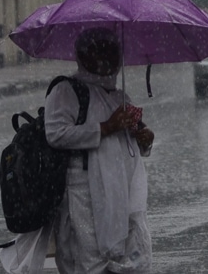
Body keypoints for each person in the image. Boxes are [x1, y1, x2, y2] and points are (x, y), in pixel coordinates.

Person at [45, 27, 153, 274]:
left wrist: (144, 138)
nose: (106, 59)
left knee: (128, 259)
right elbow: (56, 134)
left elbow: (129, 145)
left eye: (112, 52)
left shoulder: (118, 95)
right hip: (83, 192)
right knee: (88, 261)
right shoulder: (66, 91)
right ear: (82, 56)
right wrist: (105, 127)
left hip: (119, 192)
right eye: (98, 51)